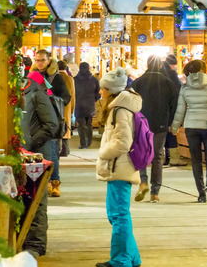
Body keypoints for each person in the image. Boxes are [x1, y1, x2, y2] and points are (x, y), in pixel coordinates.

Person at [95, 67, 142, 267]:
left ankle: (121, 260)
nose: (99, 92)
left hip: (119, 167)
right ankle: (132, 256)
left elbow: (123, 142)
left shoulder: (119, 109)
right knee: (118, 213)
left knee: (118, 214)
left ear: (110, 89)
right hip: (121, 167)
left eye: (102, 88)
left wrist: (103, 152)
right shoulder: (122, 106)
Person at [171, 59, 207, 203]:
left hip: (191, 126)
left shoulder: (185, 88)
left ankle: (201, 194)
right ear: (203, 70)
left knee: (195, 160)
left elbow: (180, 110)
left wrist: (175, 128)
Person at [20, 71, 60, 258]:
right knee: (26, 196)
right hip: (25, 154)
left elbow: (51, 124)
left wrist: (31, 144)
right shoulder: (20, 95)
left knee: (38, 197)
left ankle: (36, 243)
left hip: (37, 156)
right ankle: (24, 239)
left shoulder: (37, 94)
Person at [131, 56, 178, 203]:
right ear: (160, 65)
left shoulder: (137, 82)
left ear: (147, 64)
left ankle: (143, 181)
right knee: (157, 156)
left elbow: (131, 103)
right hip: (161, 123)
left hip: (141, 123)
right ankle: (155, 192)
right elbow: (174, 105)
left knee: (142, 154)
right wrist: (171, 122)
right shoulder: (168, 83)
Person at [34, 49, 72, 198]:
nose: (39, 63)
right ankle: (43, 183)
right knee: (37, 151)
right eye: (37, 60)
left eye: (42, 60)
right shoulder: (32, 76)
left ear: (49, 61)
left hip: (52, 120)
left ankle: (55, 182)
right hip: (35, 120)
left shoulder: (56, 78)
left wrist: (51, 100)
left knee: (51, 151)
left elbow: (66, 97)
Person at [74, 62, 101, 149]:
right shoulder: (94, 80)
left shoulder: (75, 80)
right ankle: (89, 141)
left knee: (81, 125)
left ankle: (83, 143)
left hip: (79, 105)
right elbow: (98, 93)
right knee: (89, 124)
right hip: (90, 105)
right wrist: (94, 99)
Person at [163, 54, 183, 166]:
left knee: (164, 132)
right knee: (171, 131)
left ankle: (165, 158)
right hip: (171, 106)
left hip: (161, 107)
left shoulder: (161, 72)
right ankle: (174, 158)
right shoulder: (172, 73)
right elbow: (178, 87)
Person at [58, 60, 75, 157]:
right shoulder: (70, 79)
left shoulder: (55, 78)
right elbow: (73, 95)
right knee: (66, 126)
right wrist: (72, 108)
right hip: (67, 105)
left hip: (57, 104)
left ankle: (60, 148)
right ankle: (66, 148)